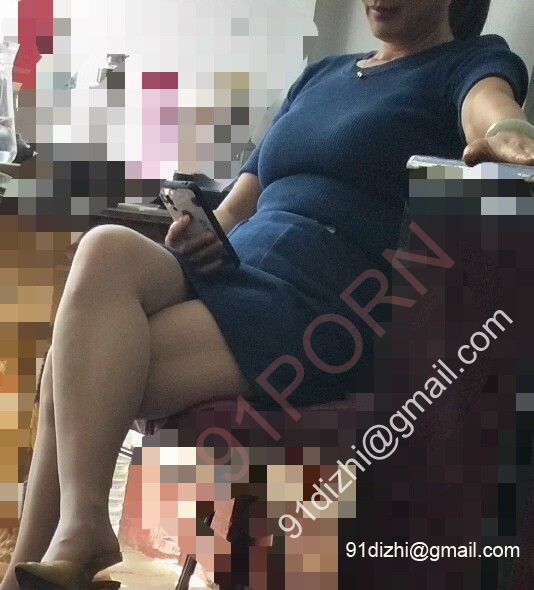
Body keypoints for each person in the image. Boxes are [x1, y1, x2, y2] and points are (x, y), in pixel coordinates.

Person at [3, 0, 534, 588]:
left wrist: (510, 136)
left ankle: (56, 552)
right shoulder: (322, 74)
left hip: (324, 297)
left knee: (76, 371)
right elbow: (236, 209)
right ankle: (77, 536)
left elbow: (493, 114)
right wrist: (198, 235)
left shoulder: (468, 62)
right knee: (104, 246)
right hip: (237, 270)